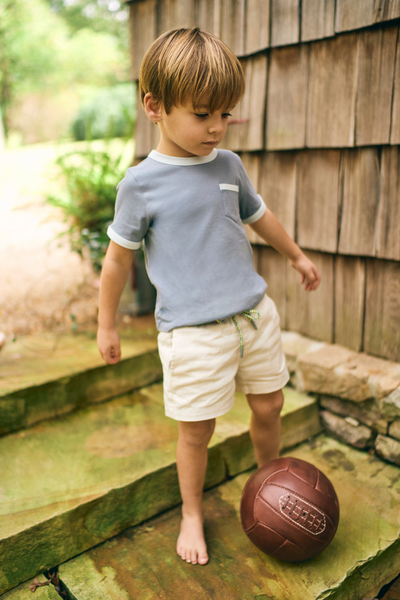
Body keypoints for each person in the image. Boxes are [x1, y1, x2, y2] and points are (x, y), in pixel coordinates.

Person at [97, 27, 321, 567]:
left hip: (254, 318)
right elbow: (117, 259)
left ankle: (273, 486)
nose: (217, 127)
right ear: (154, 106)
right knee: (197, 431)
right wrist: (106, 324)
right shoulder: (141, 185)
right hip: (193, 336)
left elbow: (258, 215)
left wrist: (294, 255)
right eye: (203, 114)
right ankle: (192, 512)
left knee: (269, 405)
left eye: (226, 114)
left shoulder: (228, 165)